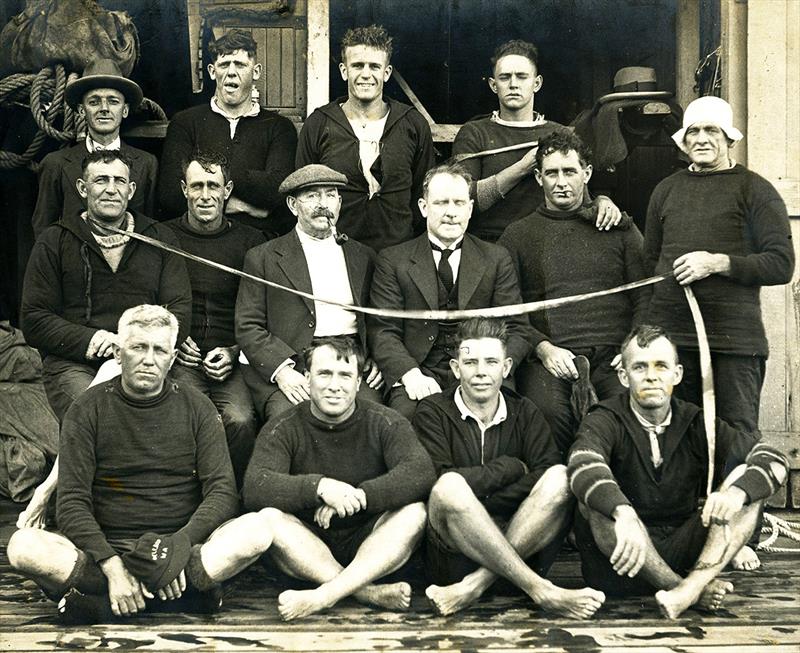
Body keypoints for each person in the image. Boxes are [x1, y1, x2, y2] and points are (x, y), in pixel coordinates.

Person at [8, 305, 274, 624]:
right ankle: (176, 597)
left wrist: (177, 548)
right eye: (138, 347)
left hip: (179, 548)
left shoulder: (199, 409)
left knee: (259, 529)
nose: (149, 359)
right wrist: (111, 563)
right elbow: (71, 504)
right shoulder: (86, 409)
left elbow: (221, 493)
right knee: (22, 547)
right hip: (105, 550)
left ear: (172, 360)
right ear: (119, 354)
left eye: (160, 349)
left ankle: (102, 601)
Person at [644, 97, 795, 569]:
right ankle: (692, 531)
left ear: (730, 138)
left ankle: (739, 533)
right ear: (683, 141)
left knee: (737, 435)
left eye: (712, 132)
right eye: (693, 133)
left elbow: (781, 264)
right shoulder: (666, 191)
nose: (702, 141)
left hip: (734, 340)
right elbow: (653, 263)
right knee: (681, 433)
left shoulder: (755, 190)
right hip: (675, 339)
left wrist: (720, 263)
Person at [568, 325, 789, 619]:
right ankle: (687, 590)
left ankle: (688, 590)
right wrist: (623, 512)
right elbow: (581, 463)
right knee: (593, 503)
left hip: (682, 550)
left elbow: (774, 459)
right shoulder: (606, 418)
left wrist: (737, 494)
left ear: (677, 374)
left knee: (747, 486)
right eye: (639, 367)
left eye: (661, 366)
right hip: (620, 563)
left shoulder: (696, 420)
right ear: (623, 376)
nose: (651, 376)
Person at [413, 318, 605, 618]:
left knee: (560, 477)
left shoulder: (525, 411)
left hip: (521, 540)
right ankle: (540, 589)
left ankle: (477, 584)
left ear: (506, 368)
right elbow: (436, 482)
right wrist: (511, 468)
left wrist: (479, 498)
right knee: (449, 488)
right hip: (454, 556)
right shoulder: (432, 412)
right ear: (455, 368)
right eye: (470, 362)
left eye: (491, 361)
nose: (480, 372)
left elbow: (545, 472)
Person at [242, 336, 435, 621]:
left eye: (345, 375)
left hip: (372, 544)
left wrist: (359, 496)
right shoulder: (283, 426)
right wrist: (321, 487)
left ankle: (325, 596)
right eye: (324, 374)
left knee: (415, 513)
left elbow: (420, 472)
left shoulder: (385, 420)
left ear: (359, 383)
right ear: (307, 378)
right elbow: (256, 486)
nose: (335, 385)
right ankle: (365, 592)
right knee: (270, 518)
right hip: (307, 547)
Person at [498, 129, 648, 457]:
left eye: (570, 171)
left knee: (626, 410)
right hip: (552, 356)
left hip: (614, 354)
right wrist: (543, 349)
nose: (561, 181)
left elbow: (645, 297)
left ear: (587, 173)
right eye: (551, 173)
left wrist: (630, 350)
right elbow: (509, 308)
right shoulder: (518, 236)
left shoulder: (618, 227)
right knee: (547, 414)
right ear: (538, 178)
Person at [21, 150, 192, 422]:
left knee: (185, 413)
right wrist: (93, 339)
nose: (111, 189)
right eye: (101, 180)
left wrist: (137, 346)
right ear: (82, 188)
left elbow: (180, 310)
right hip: (76, 363)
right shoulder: (54, 240)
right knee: (100, 416)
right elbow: (34, 319)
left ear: (131, 190)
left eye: (119, 181)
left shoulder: (159, 239)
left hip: (146, 359)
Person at [369, 162, 533, 421]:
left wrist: (493, 369)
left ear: (470, 208)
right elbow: (383, 330)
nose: (451, 213)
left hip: (482, 369)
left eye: (459, 203)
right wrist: (410, 374)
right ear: (423, 208)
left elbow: (517, 328)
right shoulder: (393, 260)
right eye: (441, 203)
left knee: (506, 419)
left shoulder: (496, 258)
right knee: (406, 419)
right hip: (421, 369)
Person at [236, 164, 383, 423]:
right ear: (293, 205)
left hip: (349, 361)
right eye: (313, 196)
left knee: (371, 419)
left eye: (330, 195)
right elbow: (248, 326)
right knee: (290, 420)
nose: (323, 204)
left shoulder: (364, 255)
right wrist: (282, 371)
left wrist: (376, 358)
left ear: (339, 202)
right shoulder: (264, 257)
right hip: (295, 363)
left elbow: (379, 320)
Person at [452, 40, 620, 242]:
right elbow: (463, 199)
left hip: (548, 241)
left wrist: (602, 201)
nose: (513, 84)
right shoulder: (474, 132)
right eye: (505, 77)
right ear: (493, 85)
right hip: (489, 244)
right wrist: (522, 167)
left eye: (522, 77)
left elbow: (581, 198)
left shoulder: (559, 133)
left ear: (537, 83)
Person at [164, 151, 264, 486]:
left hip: (231, 357)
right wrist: (173, 343)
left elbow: (262, 311)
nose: (205, 195)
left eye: (213, 185)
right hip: (180, 357)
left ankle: (231, 499)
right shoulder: (163, 237)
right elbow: (149, 301)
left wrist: (235, 351)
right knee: (186, 418)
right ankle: (190, 498)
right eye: (197, 186)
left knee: (240, 419)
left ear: (227, 189)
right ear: (184, 189)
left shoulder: (250, 242)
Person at [296, 25, 435, 252]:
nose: (366, 74)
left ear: (386, 73)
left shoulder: (412, 123)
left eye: (374, 66)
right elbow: (304, 191)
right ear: (344, 70)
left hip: (398, 252)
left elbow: (423, 192)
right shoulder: (320, 123)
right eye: (357, 66)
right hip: (336, 251)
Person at [158, 29, 297, 238]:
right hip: (198, 241)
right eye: (224, 65)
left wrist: (208, 182)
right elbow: (170, 194)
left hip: (257, 243)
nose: (231, 72)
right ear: (213, 72)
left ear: (256, 71)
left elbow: (277, 191)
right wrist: (241, 205)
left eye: (240, 65)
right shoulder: (185, 123)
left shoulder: (279, 127)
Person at [32, 59, 158, 239]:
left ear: (125, 110)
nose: (104, 109)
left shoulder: (147, 163)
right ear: (82, 110)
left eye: (113, 101)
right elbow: (43, 231)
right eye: (94, 102)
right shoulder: (55, 164)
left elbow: (150, 230)